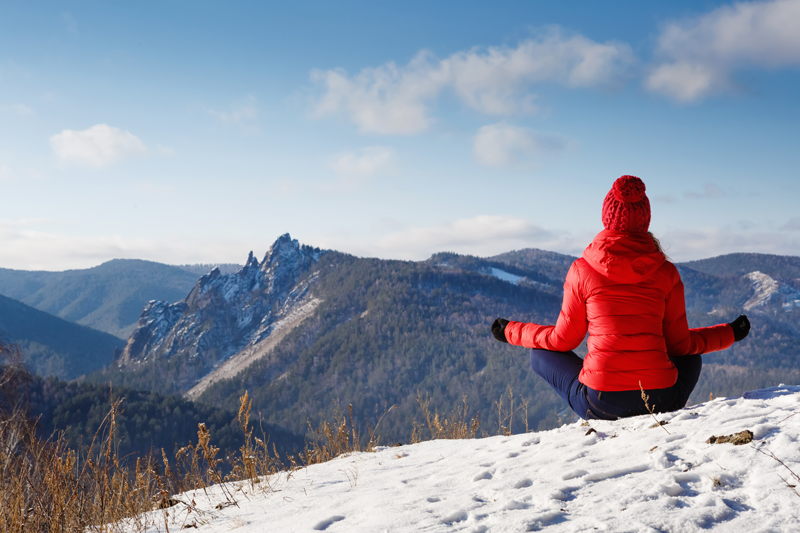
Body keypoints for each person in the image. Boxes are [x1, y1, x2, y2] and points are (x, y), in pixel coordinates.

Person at [491, 175, 751, 420]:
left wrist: (511, 331)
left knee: (540, 354)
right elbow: (681, 347)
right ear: (646, 218)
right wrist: (729, 332)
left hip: (602, 404)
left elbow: (564, 339)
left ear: (606, 216)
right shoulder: (666, 272)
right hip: (663, 401)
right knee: (692, 355)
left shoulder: (582, 270)